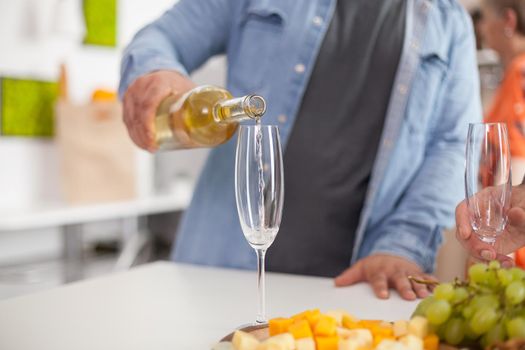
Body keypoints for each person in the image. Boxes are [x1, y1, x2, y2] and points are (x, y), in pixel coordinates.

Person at [120, 0, 481, 300]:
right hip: (219, 272)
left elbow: (452, 147)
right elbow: (160, 38)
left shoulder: (450, 24)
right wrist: (156, 72)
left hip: (354, 289)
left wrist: (401, 246)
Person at [480, 0, 525, 184]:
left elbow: (517, 158)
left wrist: (500, 206)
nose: (482, 28)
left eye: (485, 18)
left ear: (508, 20)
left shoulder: (520, 72)